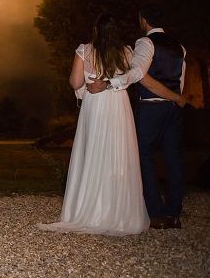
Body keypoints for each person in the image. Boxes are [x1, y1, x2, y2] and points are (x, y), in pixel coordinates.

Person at [39, 13, 180, 236]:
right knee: (117, 154)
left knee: (94, 152)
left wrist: (85, 83)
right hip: (118, 105)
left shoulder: (84, 50)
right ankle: (119, 211)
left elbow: (75, 82)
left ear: (96, 30)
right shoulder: (126, 51)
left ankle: (91, 209)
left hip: (95, 106)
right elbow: (134, 77)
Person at [86, 5, 187, 229]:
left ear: (143, 20)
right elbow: (180, 80)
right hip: (173, 109)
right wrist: (177, 99)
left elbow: (139, 74)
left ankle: (156, 213)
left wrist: (110, 83)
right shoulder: (179, 47)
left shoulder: (145, 43)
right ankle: (174, 213)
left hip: (151, 108)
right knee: (173, 159)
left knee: (144, 157)